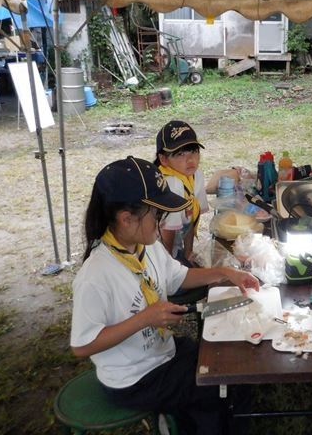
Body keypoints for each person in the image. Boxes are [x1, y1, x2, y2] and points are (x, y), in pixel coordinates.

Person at [71, 156, 260, 434]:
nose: (162, 222)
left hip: (162, 353)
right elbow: (82, 346)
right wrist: (144, 318)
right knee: (226, 386)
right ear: (126, 219)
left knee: (226, 364)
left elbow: (179, 277)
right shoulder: (96, 275)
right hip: (135, 378)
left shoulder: (145, 246)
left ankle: (188, 422)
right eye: (157, 215)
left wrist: (224, 274)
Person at [154, 120, 209, 265]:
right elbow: (167, 231)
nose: (190, 159)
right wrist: (169, 265)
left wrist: (188, 252)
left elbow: (191, 216)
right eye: (180, 154)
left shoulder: (196, 175)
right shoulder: (169, 184)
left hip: (175, 244)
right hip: (158, 251)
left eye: (194, 151)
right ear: (164, 159)